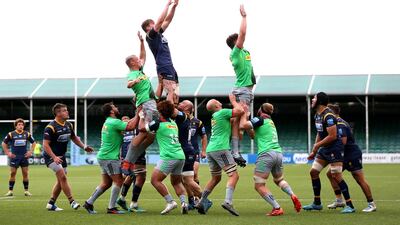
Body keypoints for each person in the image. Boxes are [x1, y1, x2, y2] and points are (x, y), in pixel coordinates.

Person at [239, 103, 302, 216]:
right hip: (278, 154)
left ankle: (277, 207)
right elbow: (253, 135)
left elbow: (242, 126)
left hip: (266, 154)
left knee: (259, 184)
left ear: (261, 110)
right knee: (278, 180)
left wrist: (244, 114)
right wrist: (248, 121)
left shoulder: (260, 119)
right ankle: (292, 194)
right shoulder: (270, 122)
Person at [303, 92, 355, 213]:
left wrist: (317, 146)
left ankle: (350, 205)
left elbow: (332, 136)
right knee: (313, 172)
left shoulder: (329, 116)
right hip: (325, 148)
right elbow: (320, 133)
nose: (312, 100)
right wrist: (314, 150)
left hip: (334, 148)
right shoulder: (317, 115)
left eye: (314, 98)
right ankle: (317, 203)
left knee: (336, 175)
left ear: (320, 101)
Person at [84, 103, 138, 214]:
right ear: (111, 111)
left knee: (106, 183)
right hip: (110, 158)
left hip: (104, 156)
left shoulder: (109, 122)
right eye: (115, 107)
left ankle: (89, 203)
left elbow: (128, 123)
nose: (117, 108)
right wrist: (139, 114)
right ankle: (111, 208)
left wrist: (137, 115)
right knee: (118, 181)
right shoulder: (114, 122)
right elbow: (131, 126)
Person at [196, 94, 244, 216]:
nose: (219, 101)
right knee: (234, 175)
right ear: (216, 105)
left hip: (211, 150)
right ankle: (228, 202)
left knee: (216, 178)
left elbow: (234, 120)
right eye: (217, 101)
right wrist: (233, 100)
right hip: (221, 148)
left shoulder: (215, 116)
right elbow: (240, 111)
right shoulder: (222, 113)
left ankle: (202, 201)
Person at [326, 103, 376, 213]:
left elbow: (343, 142)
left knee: (359, 178)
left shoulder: (339, 123)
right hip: (343, 155)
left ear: (332, 112)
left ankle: (371, 204)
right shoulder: (335, 123)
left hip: (351, 154)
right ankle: (339, 200)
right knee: (330, 174)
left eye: (327, 111)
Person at [43, 103, 93, 211]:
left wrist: (84, 146)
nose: (67, 112)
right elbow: (45, 145)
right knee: (63, 177)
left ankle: (51, 203)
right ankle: (72, 201)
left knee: (61, 181)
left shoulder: (69, 125)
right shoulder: (50, 127)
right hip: (50, 156)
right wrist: (54, 157)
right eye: (65, 110)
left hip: (62, 156)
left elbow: (74, 138)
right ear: (58, 113)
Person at [123, 31, 159, 175]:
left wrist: (142, 42)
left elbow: (143, 56)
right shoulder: (133, 74)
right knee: (148, 130)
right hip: (146, 103)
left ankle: (129, 162)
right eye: (137, 59)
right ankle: (127, 162)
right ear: (132, 62)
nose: (140, 60)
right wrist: (134, 82)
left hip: (148, 103)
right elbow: (129, 84)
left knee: (150, 136)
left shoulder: (140, 70)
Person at [226, 5, 257, 167]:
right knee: (243, 124)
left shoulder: (244, 53)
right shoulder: (236, 52)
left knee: (237, 124)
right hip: (243, 90)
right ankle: (256, 135)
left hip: (242, 89)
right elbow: (243, 34)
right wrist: (244, 17)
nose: (242, 40)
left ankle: (235, 152)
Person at [144, 100, 188, 215]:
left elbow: (144, 128)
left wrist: (142, 117)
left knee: (155, 180)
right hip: (180, 156)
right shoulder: (173, 123)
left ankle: (170, 202)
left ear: (160, 112)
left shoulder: (158, 124)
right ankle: (184, 203)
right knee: (177, 182)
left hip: (169, 156)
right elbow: (181, 115)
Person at [141, 0, 180, 105]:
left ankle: (173, 111)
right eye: (152, 24)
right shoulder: (151, 35)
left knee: (175, 93)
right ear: (148, 27)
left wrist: (174, 7)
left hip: (169, 65)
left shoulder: (158, 34)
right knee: (170, 92)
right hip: (163, 65)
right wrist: (167, 4)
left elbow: (167, 20)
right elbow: (161, 20)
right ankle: (169, 116)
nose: (156, 24)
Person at [173, 100, 202, 210]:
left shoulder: (182, 117)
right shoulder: (186, 118)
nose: (179, 103)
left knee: (188, 179)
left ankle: (203, 200)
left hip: (185, 150)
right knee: (186, 179)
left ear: (186, 109)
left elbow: (171, 110)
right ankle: (193, 201)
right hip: (188, 150)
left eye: (182, 103)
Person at [117, 116, 147, 213]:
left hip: (130, 154)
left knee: (132, 176)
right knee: (141, 177)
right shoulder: (138, 125)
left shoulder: (124, 130)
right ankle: (133, 203)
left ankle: (122, 198)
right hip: (136, 153)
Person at [2, 118, 36, 197]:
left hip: (24, 157)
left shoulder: (27, 134)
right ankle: (10, 191)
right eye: (19, 125)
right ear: (16, 126)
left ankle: (26, 191)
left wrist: (30, 152)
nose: (21, 126)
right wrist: (7, 152)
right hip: (15, 157)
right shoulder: (11, 134)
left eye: (22, 125)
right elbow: (4, 143)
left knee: (25, 173)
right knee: (12, 173)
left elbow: (34, 143)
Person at [189, 104, 208, 186]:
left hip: (194, 151)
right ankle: (190, 196)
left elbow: (204, 136)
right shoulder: (179, 121)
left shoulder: (198, 122)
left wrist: (204, 151)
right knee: (185, 176)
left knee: (194, 174)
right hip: (182, 151)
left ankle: (197, 196)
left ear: (192, 110)